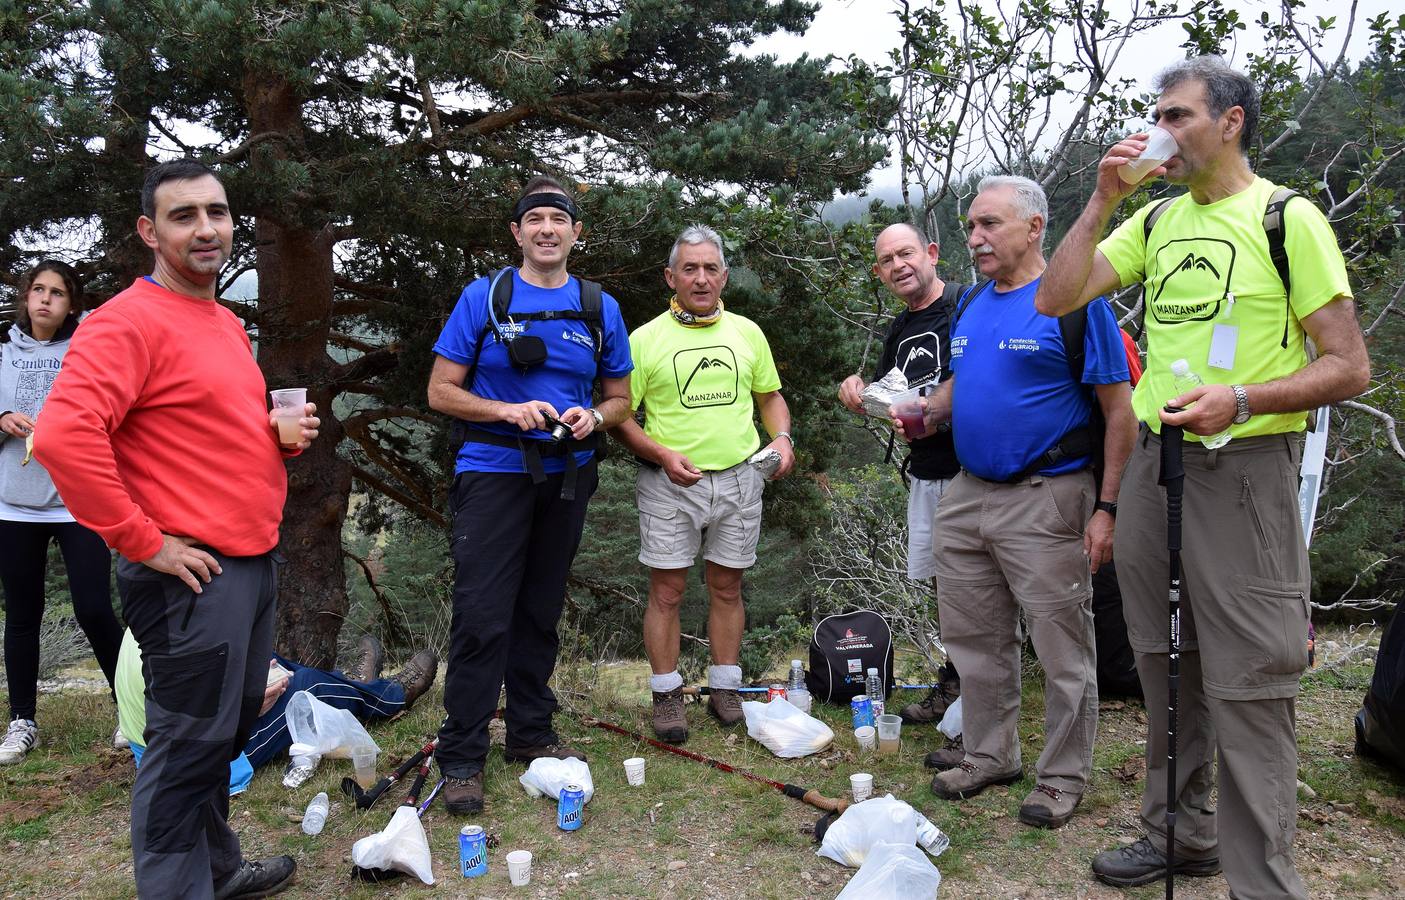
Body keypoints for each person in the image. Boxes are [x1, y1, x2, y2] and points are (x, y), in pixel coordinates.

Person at [1035, 56, 1370, 896]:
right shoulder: (1154, 222)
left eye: (1179, 116)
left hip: (1247, 466)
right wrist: (1105, 197)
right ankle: (1177, 835)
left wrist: (1245, 397)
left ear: (1229, 122)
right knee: (1161, 660)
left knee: (1250, 679)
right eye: (1158, 116)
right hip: (1155, 462)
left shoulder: (1285, 220)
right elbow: (1055, 296)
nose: (1162, 131)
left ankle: (1263, 884)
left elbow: (1348, 366)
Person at [34, 160, 321, 900]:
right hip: (190, 575)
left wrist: (274, 435)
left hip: (247, 564)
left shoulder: (222, 321)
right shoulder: (126, 322)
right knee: (185, 745)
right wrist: (142, 540)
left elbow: (192, 429)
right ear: (149, 232)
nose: (205, 229)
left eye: (217, 213)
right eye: (183, 215)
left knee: (219, 738)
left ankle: (217, 873)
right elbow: (64, 437)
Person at [909, 175, 1135, 830]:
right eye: (970, 226)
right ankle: (989, 754)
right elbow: (959, 386)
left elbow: (1117, 412)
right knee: (975, 639)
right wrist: (919, 413)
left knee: (1063, 650)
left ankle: (1062, 779)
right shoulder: (974, 303)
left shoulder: (1073, 302)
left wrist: (1107, 508)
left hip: (1047, 496)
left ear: (1034, 228)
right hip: (968, 492)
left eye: (989, 225)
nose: (973, 238)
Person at [426, 176, 633, 815]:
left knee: (541, 609)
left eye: (558, 219)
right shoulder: (483, 298)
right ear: (517, 233)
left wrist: (594, 420)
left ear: (577, 233)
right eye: (534, 219)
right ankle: (461, 755)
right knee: (483, 614)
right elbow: (440, 391)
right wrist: (504, 410)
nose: (547, 228)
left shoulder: (600, 306)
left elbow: (620, 397)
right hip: (492, 471)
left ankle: (531, 735)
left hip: (568, 474)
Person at [611, 225, 795, 744]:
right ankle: (667, 695)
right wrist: (662, 454)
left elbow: (770, 397)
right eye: (689, 268)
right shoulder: (645, 340)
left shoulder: (746, 332)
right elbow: (621, 415)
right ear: (670, 277)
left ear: (724, 277)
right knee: (667, 591)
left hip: (740, 479)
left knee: (728, 586)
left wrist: (781, 438)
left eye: (710, 268)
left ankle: (725, 687)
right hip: (669, 484)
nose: (700, 278)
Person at [837, 223, 966, 736]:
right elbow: (897, 402)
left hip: (973, 467)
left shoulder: (965, 305)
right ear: (879, 272)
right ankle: (956, 684)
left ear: (931, 253)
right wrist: (860, 394)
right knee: (942, 584)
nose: (898, 265)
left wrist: (937, 408)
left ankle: (982, 694)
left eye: (906, 253)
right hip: (926, 471)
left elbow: (978, 376)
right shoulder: (899, 330)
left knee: (976, 584)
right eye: (887, 260)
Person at [0, 262, 124, 765]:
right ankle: (22, 721)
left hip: (78, 502)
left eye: (57, 293)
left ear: (72, 304)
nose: (46, 300)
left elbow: (113, 406)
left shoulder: (85, 348)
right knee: (22, 613)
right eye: (38, 290)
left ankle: (130, 709)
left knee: (95, 608)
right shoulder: (2, 350)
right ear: (25, 297)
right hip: (14, 504)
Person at [115, 632, 437, 793]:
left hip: (160, 739)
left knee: (271, 663)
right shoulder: (202, 611)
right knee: (308, 687)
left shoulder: (165, 592)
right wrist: (247, 705)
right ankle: (390, 698)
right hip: (197, 759)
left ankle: (350, 685)